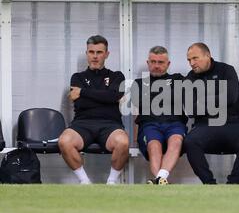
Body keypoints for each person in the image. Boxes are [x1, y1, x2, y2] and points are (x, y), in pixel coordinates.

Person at [58, 35, 129, 184]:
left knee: (123, 142)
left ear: (106, 54)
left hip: (110, 124)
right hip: (83, 124)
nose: (95, 56)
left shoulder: (117, 76)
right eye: (91, 52)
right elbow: (81, 104)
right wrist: (105, 97)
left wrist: (83, 92)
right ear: (87, 54)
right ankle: (85, 182)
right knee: (64, 141)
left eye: (99, 52)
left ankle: (111, 182)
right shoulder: (77, 77)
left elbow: (114, 95)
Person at [183, 42, 239, 184]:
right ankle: (209, 184)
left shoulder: (227, 70)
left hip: (233, 123)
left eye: (195, 58)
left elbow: (231, 97)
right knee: (190, 142)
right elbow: (191, 110)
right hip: (205, 126)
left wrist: (202, 100)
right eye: (189, 60)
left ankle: (234, 183)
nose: (191, 63)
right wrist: (219, 98)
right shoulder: (190, 78)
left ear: (208, 55)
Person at [131, 46, 187, 184]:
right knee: (154, 145)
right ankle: (161, 180)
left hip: (175, 124)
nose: (156, 66)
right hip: (150, 125)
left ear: (168, 64)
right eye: (153, 61)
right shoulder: (139, 83)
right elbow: (139, 108)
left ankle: (158, 180)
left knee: (176, 141)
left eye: (161, 62)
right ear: (148, 63)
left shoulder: (178, 79)